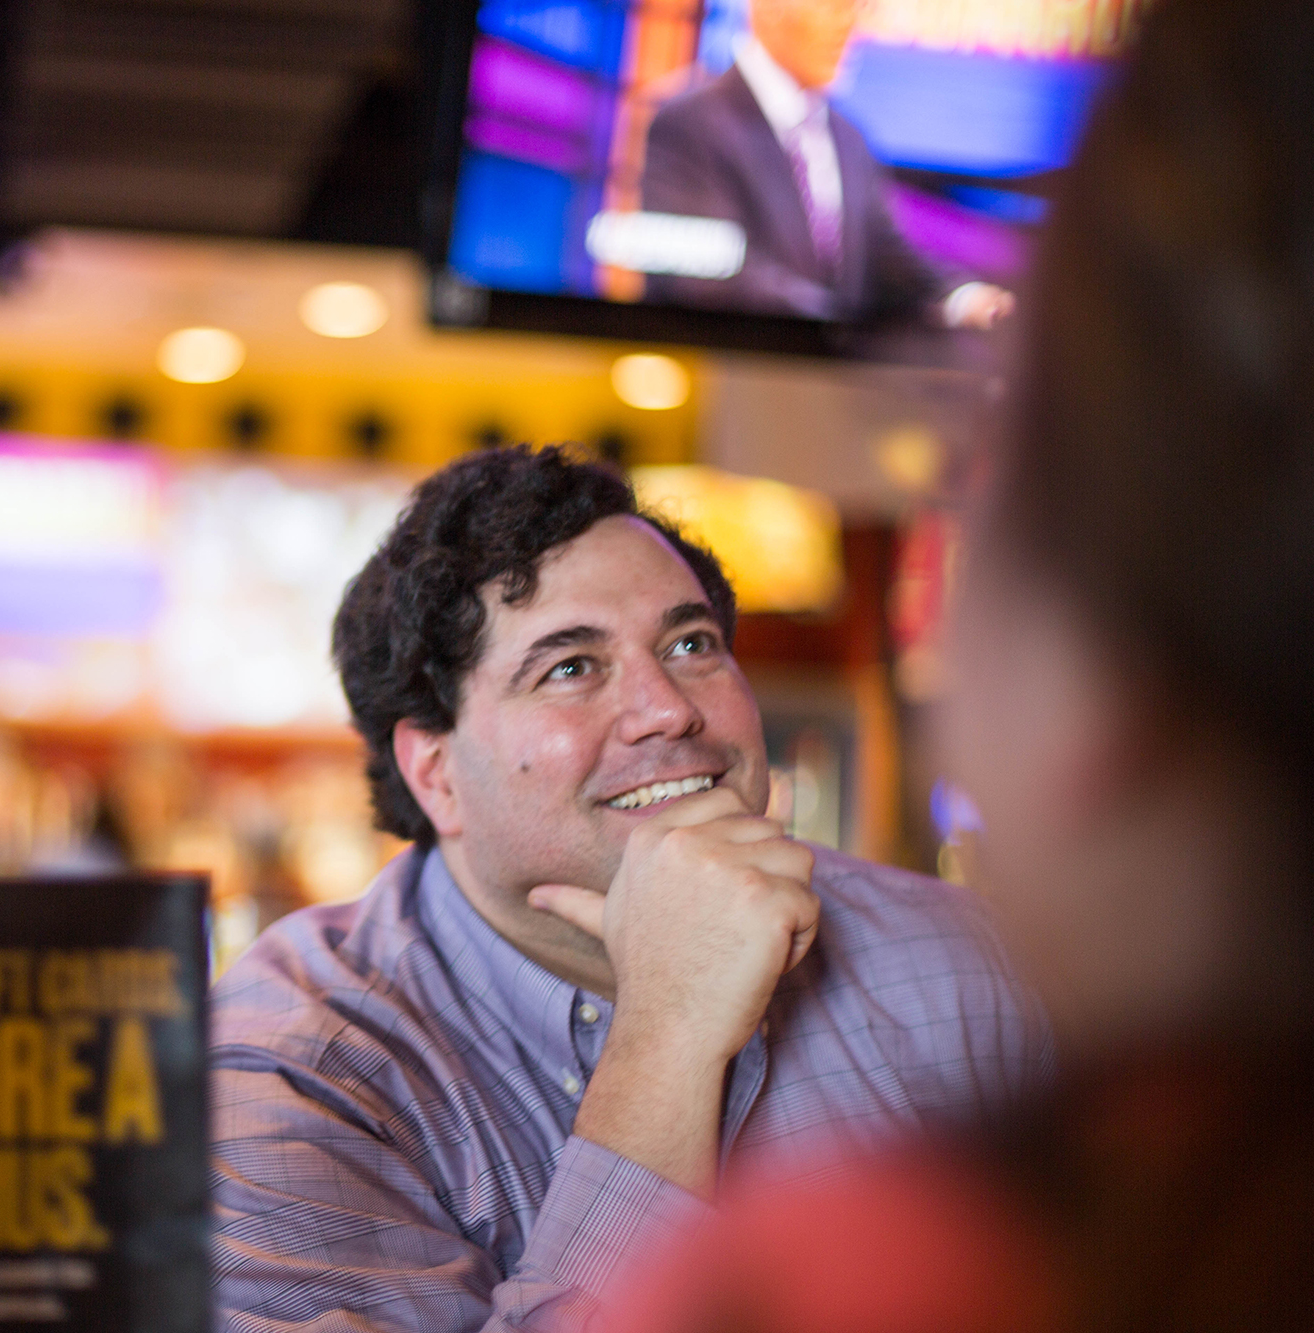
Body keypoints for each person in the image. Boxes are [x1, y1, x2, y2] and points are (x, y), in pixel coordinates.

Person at [616, 0, 1314, 1326]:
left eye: (981, 473)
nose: (661, 715)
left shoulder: (864, 1275)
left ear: (1113, 686)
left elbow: (869, 279)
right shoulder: (701, 131)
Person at [211, 444, 1049, 1333]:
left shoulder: (974, 963)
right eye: (570, 667)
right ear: (436, 771)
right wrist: (667, 1033)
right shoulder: (292, 1075)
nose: (669, 708)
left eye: (691, 645)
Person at [635, 0, 1013, 328]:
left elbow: (886, 255)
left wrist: (964, 297)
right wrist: (842, 328)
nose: (849, 25)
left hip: (831, 392)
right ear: (766, 8)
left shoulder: (849, 139)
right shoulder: (688, 123)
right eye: (833, 5)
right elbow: (709, 274)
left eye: (857, 7)